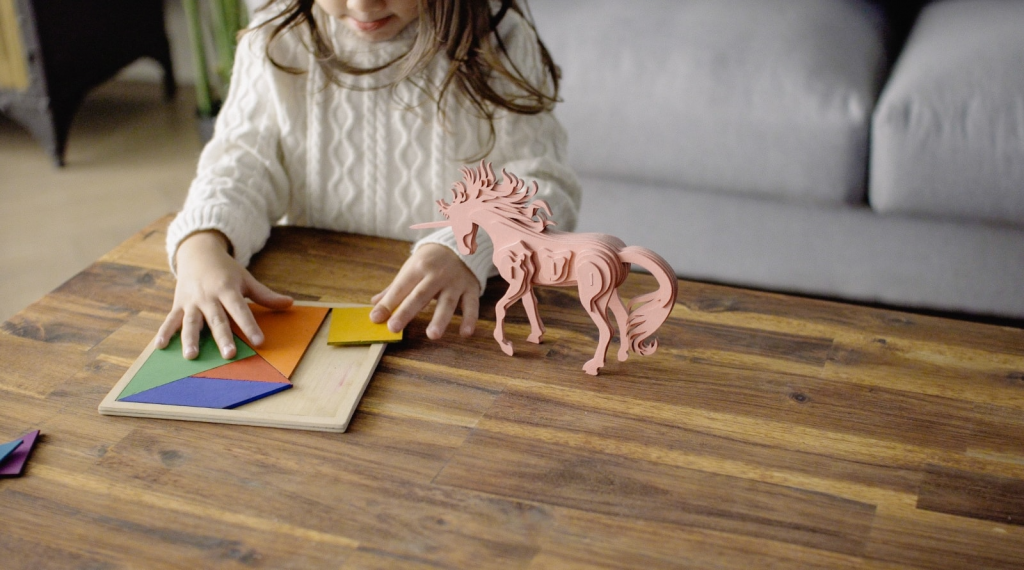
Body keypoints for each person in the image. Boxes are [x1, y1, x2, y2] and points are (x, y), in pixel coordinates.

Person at [155, 0, 581, 360]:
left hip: (455, 328)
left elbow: (544, 186)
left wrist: (471, 243)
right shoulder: (275, 38)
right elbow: (241, 165)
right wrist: (203, 243)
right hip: (317, 303)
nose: (361, 5)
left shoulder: (499, 37)